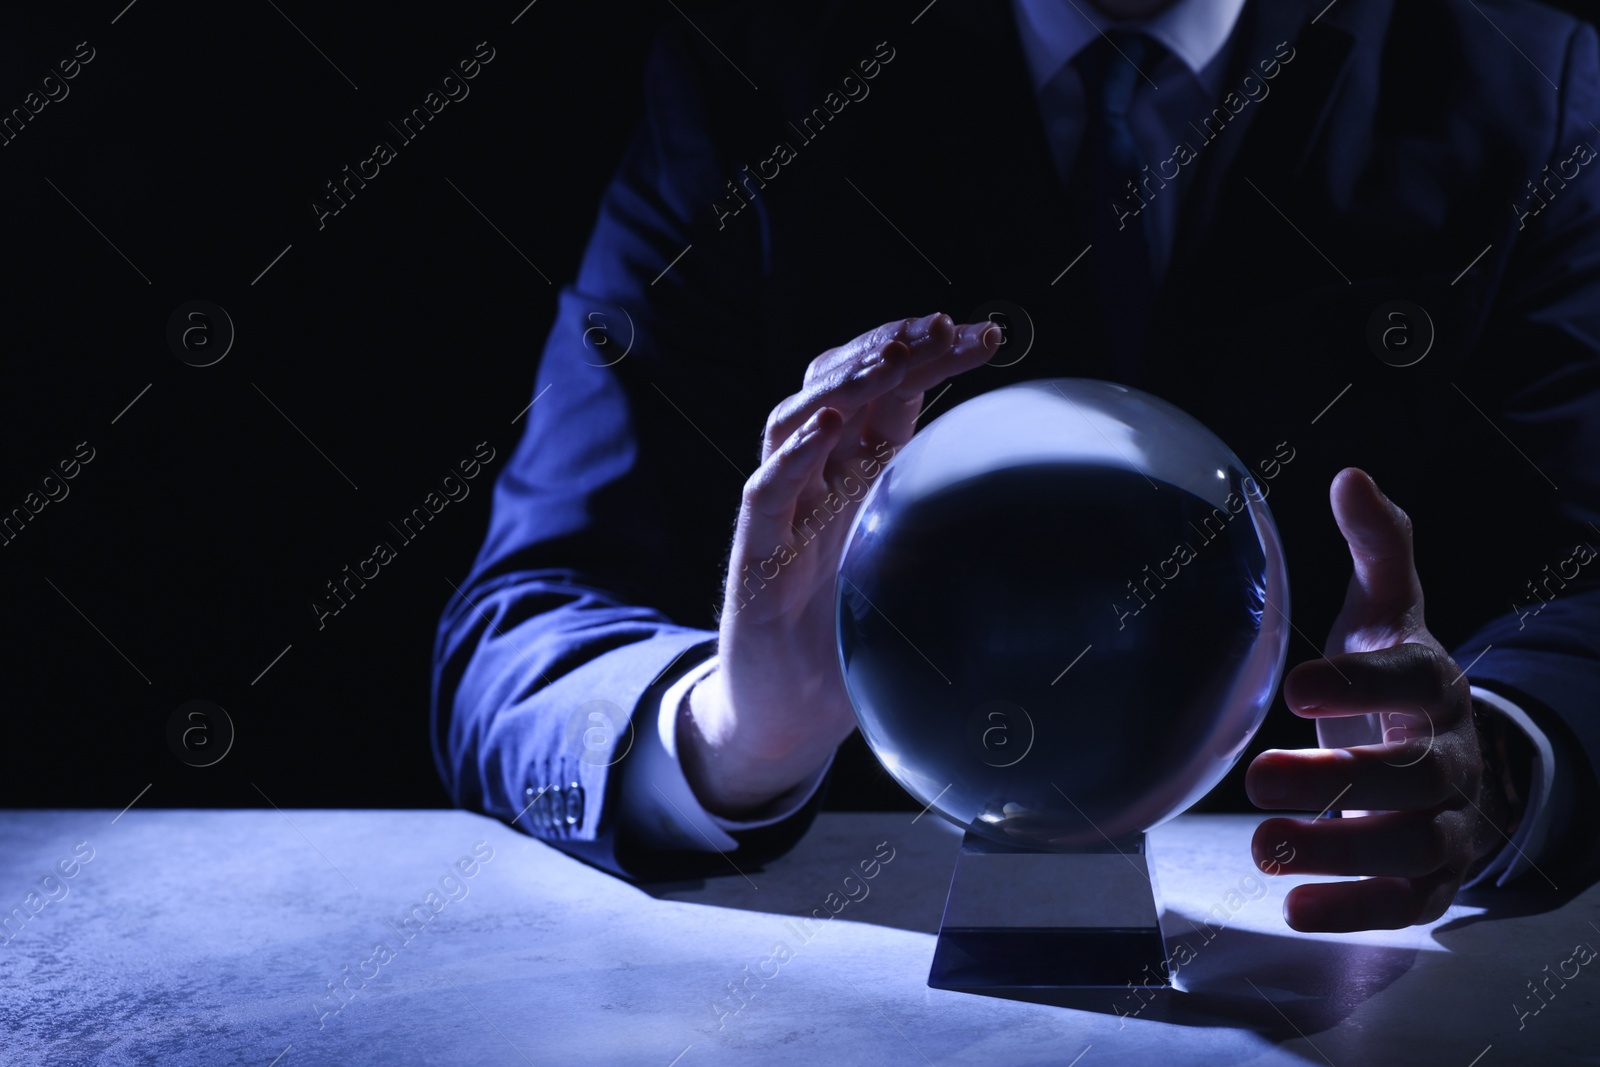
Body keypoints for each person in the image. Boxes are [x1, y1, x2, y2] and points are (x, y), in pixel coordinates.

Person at [431, 0, 1600, 932]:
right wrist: (736, 728)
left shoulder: (1529, 87)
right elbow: (518, 624)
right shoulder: (753, 75)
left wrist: (1495, 754)